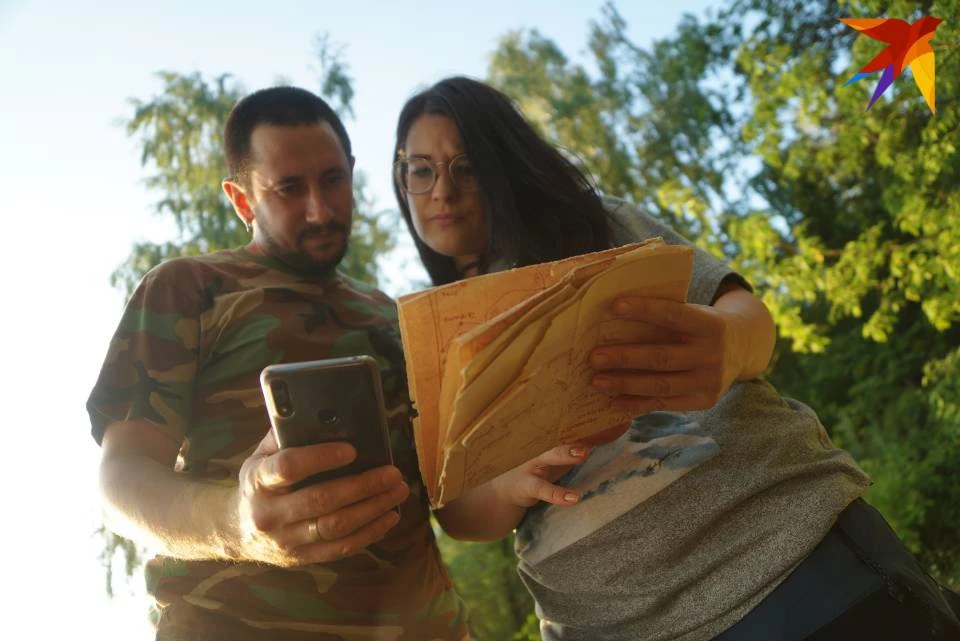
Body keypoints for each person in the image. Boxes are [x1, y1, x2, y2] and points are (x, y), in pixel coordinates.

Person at [391, 76, 960, 641]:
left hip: (795, 562)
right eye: (421, 169)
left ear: (503, 162)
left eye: (466, 166)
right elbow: (460, 517)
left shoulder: (591, 224)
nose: (442, 190)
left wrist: (728, 344)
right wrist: (508, 481)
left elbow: (751, 320)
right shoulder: (425, 341)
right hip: (610, 624)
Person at [88, 86, 470, 640]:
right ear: (242, 200)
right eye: (289, 188)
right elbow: (120, 484)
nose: (320, 209)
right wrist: (239, 526)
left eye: (333, 180)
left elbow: (453, 500)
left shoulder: (394, 315)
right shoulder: (187, 289)